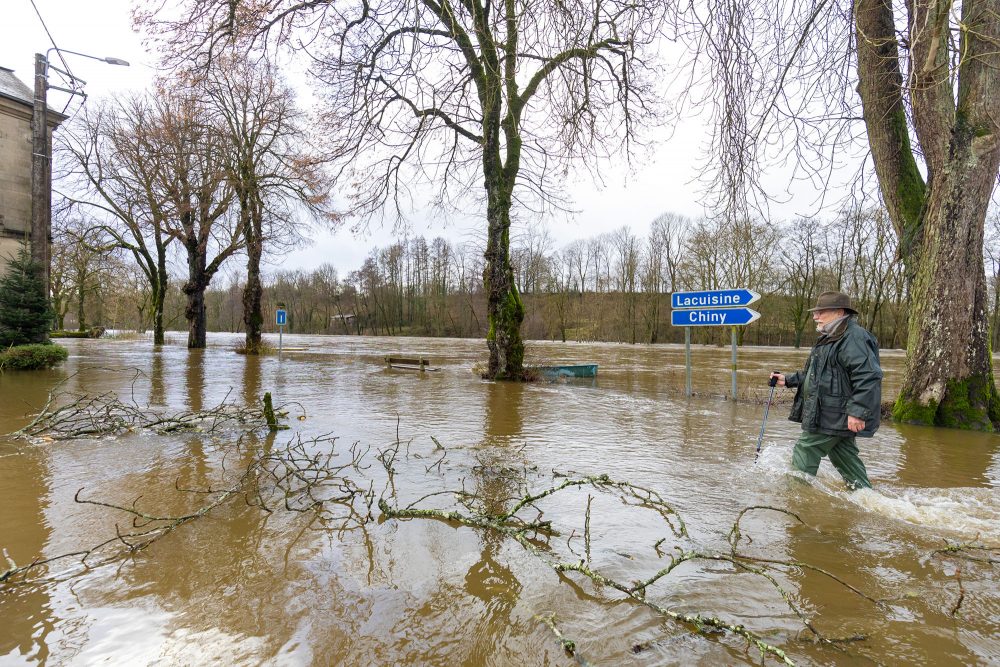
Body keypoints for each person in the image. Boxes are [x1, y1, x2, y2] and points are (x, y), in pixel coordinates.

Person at [770, 291, 882, 490]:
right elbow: (817, 375)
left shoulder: (854, 337)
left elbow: (869, 376)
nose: (815, 316)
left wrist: (858, 412)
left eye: (821, 312)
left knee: (806, 449)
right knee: (845, 459)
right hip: (832, 413)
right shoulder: (830, 337)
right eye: (815, 312)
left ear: (839, 312)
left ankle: (796, 501)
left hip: (834, 413)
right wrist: (788, 380)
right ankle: (868, 498)